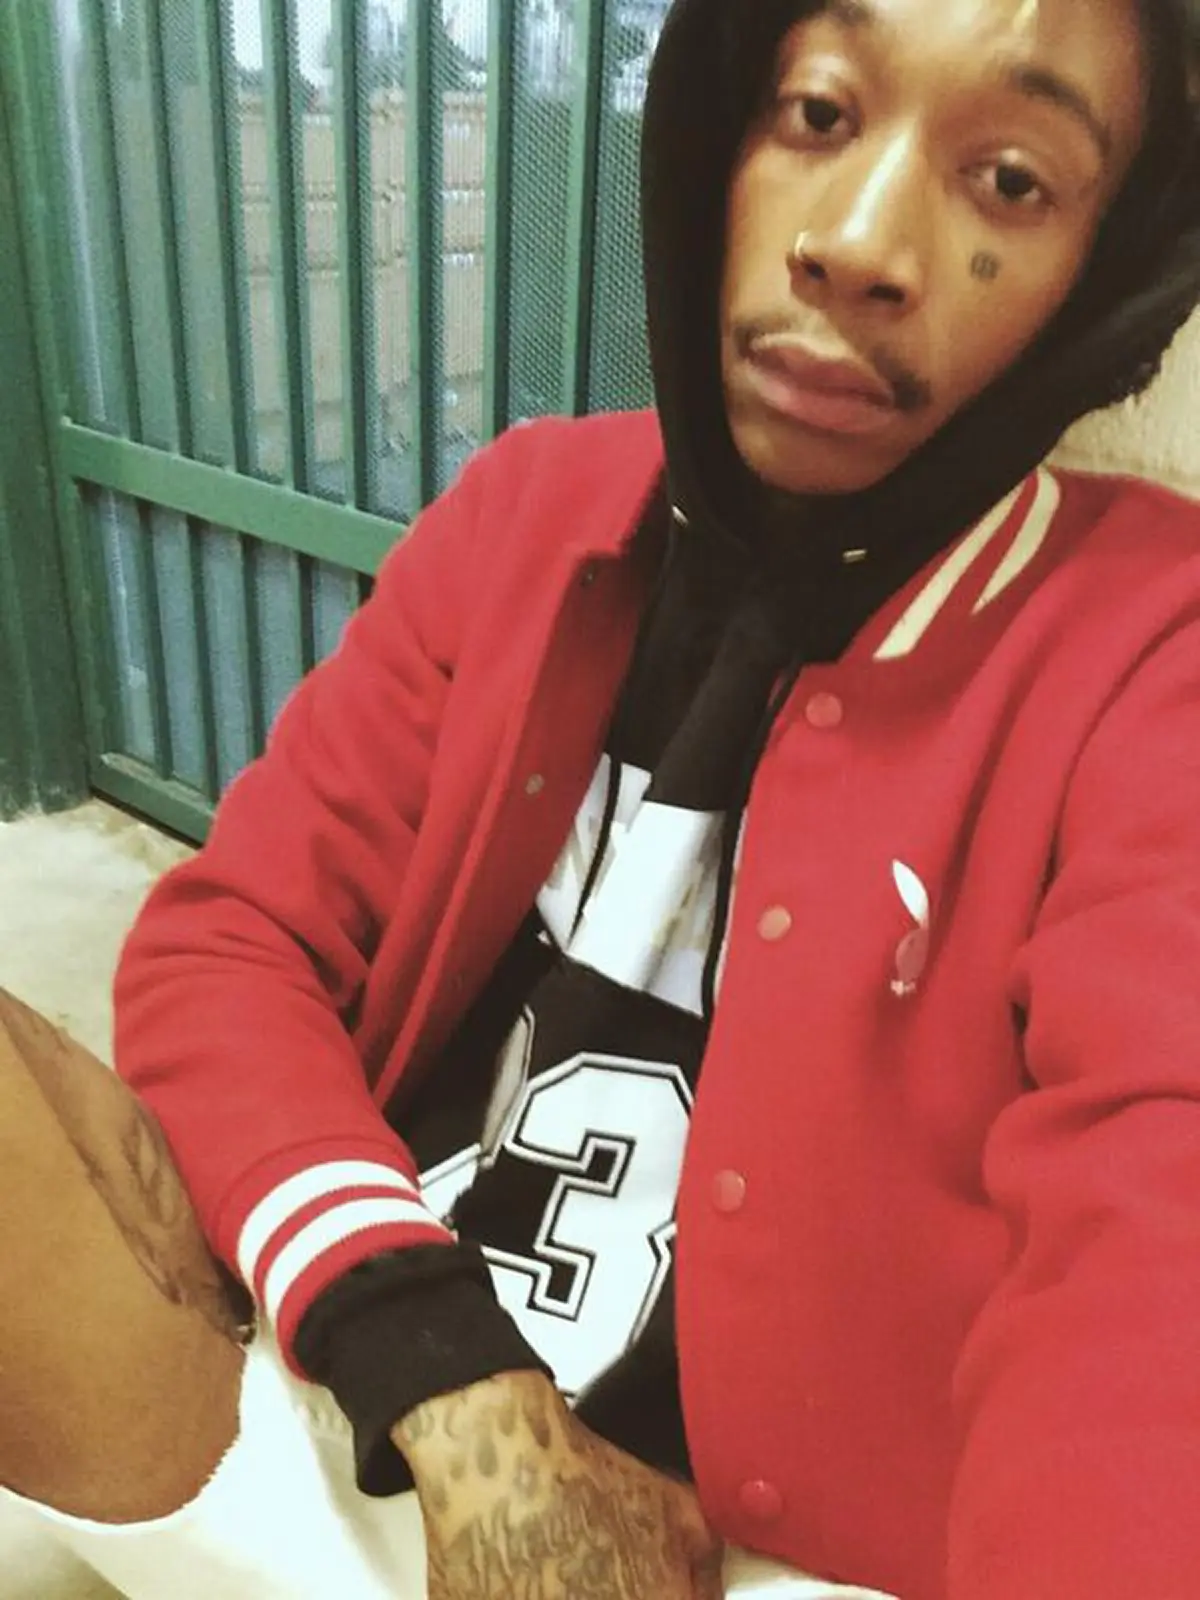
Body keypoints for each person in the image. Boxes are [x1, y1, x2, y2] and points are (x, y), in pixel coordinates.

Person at [2, 0, 1200, 1595]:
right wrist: (450, 1389)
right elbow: (233, 943)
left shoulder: (1151, 651)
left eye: (1012, 180)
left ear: (1106, 273)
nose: (859, 244)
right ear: (714, 137)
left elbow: (1153, 1255)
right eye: (818, 114)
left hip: (765, 1555)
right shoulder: (533, 510)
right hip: (365, 1392)